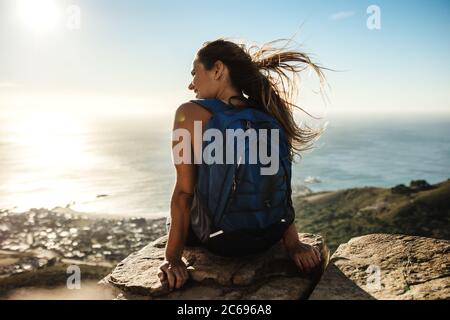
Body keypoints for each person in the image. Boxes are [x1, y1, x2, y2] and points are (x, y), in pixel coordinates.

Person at [158, 38, 326, 291]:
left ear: (217, 69)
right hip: (268, 235)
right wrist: (294, 245)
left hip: (223, 241)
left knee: (172, 220)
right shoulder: (268, 113)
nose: (190, 84)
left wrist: (172, 259)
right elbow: (275, 183)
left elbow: (184, 192)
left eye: (195, 73)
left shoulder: (189, 113)